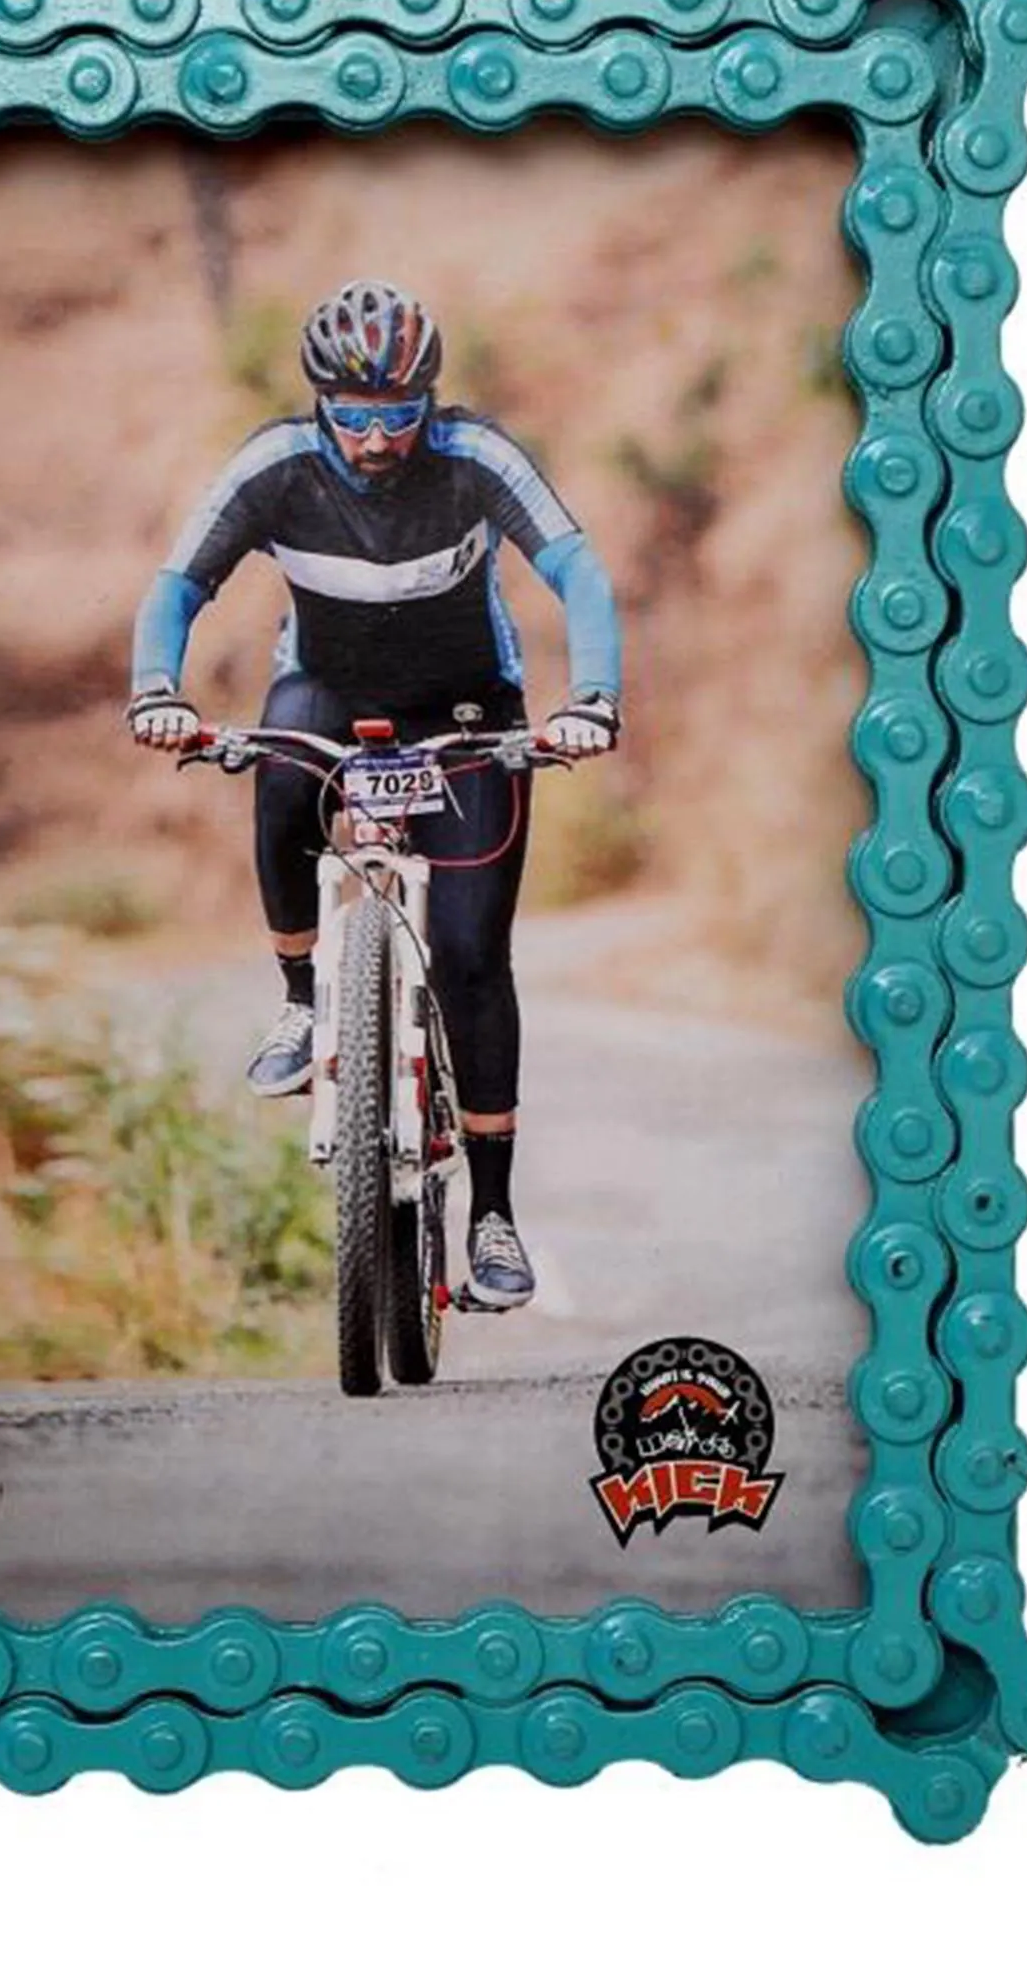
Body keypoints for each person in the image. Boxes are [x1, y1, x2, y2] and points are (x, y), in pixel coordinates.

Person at [126, 280, 622, 1311]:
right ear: (320, 404)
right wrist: (156, 691)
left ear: (427, 402)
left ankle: (492, 1216)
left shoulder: (475, 457)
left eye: (399, 414)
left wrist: (592, 700)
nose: (376, 439)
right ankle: (301, 1001)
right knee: (278, 777)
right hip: (327, 691)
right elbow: (177, 584)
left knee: (473, 956)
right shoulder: (274, 466)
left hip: (469, 709)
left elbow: (576, 569)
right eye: (352, 416)